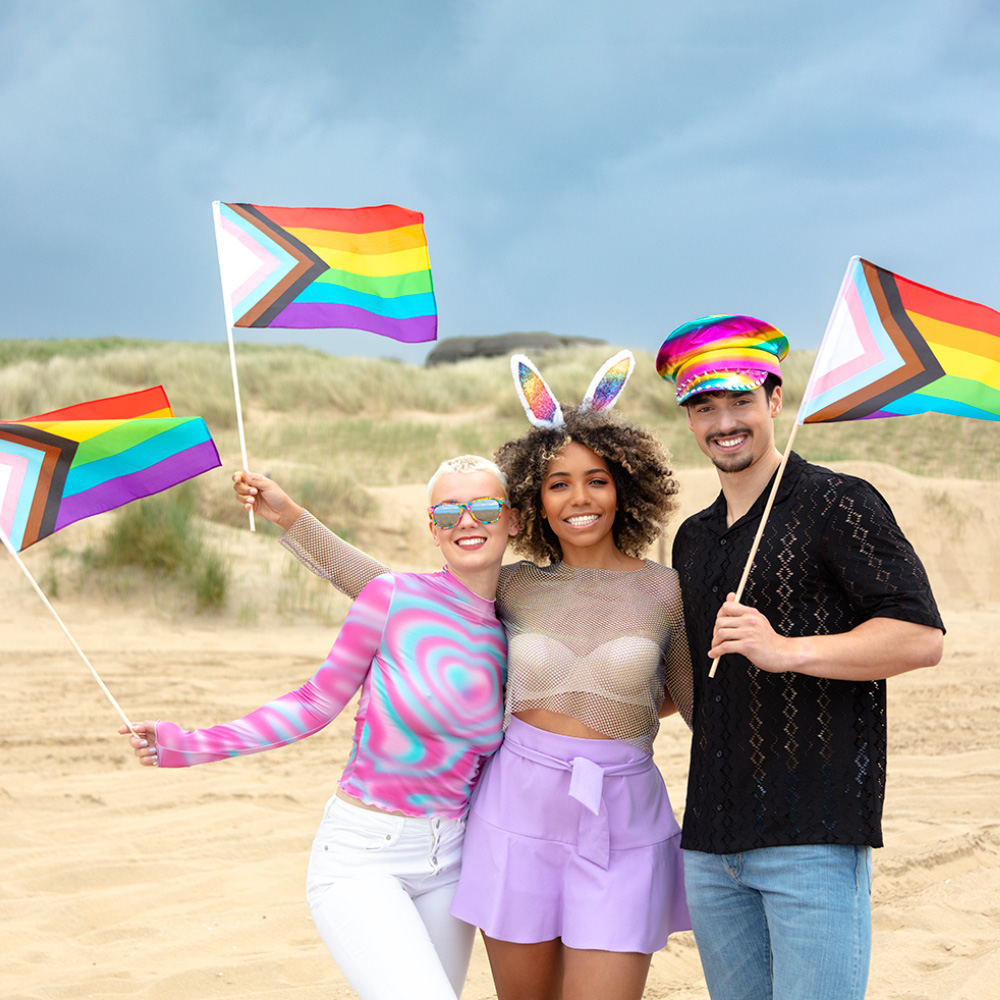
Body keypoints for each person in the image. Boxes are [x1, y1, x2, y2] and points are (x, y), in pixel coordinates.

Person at [234, 350, 693, 1000]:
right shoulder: (516, 587)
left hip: (621, 817)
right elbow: (386, 588)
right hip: (516, 812)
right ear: (534, 500)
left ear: (626, 485)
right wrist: (290, 518)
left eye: (597, 479)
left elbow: (693, 705)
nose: (579, 497)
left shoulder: (666, 591)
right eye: (558, 483)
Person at [120, 455, 519, 1000]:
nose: (466, 521)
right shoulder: (393, 596)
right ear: (432, 528)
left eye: (484, 507)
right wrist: (190, 745)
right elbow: (312, 703)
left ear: (514, 519)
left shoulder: (517, 627)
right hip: (363, 857)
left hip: (452, 862)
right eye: (448, 512)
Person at [655, 315, 945, 1000]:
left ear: (775, 401)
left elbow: (920, 637)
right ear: (690, 420)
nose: (724, 422)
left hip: (813, 837)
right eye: (704, 407)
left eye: (740, 401)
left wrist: (786, 651)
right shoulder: (692, 540)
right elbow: (692, 683)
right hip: (709, 844)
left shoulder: (838, 502)